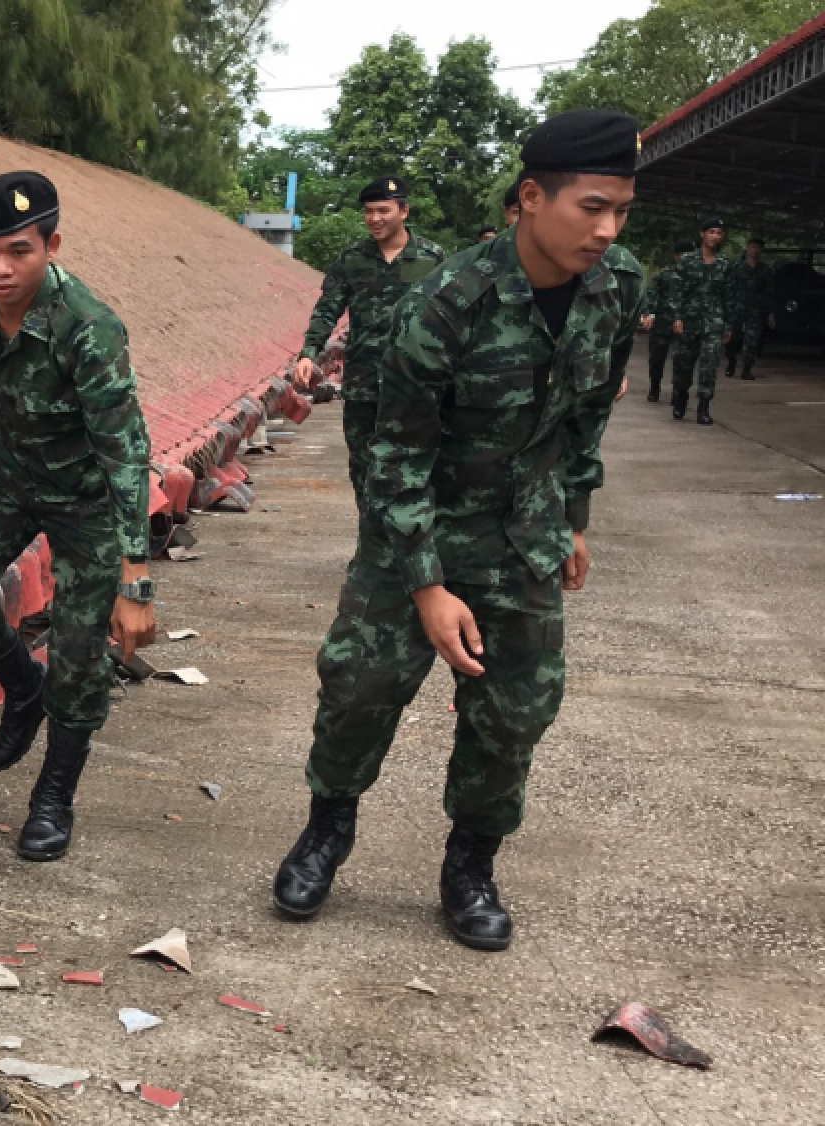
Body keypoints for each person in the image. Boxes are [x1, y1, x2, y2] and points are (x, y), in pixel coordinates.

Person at [271, 109, 645, 952]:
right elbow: (394, 457)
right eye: (592, 207)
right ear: (531, 198)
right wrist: (428, 586)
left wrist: (575, 516)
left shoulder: (619, 285)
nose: (608, 230)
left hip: (525, 534)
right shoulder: (446, 301)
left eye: (622, 210)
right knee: (360, 688)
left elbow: (587, 414)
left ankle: (470, 865)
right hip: (419, 527)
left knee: (515, 712)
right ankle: (327, 829)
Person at [0, 171, 158, 863]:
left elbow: (125, 450)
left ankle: (54, 794)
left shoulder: (88, 328)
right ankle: (23, 684)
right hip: (13, 471)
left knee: (80, 655)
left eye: (18, 251)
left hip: (88, 498)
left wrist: (135, 579)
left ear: (51, 246)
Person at [292, 177, 445, 544]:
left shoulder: (432, 259)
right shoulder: (353, 260)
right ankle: (373, 549)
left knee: (416, 467)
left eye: (383, 211)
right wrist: (309, 352)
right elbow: (328, 309)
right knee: (364, 467)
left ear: (403, 211)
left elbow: (451, 317)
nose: (375, 219)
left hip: (415, 385)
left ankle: (414, 547)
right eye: (369, 212)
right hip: (364, 384)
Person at [669, 218, 733, 424]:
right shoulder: (687, 261)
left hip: (713, 323)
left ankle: (703, 408)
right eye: (711, 232)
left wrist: (728, 325)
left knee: (709, 366)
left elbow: (728, 296)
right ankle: (680, 397)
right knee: (683, 365)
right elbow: (676, 291)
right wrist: (677, 317)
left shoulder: (724, 265)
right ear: (702, 234)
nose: (715, 236)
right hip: (689, 321)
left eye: (719, 233)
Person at [644, 240, 694, 402]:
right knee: (656, 358)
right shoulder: (665, 274)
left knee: (682, 361)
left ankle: (678, 391)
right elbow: (652, 293)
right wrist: (649, 313)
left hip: (685, 324)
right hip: (662, 322)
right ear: (676, 256)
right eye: (683, 255)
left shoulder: (696, 277)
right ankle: (654, 387)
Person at [726, 237, 774, 380]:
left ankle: (746, 369)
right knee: (731, 340)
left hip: (755, 311)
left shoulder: (765, 271)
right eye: (752, 247)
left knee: (752, 341)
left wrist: (769, 312)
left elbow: (770, 293)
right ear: (747, 249)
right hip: (736, 309)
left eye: (758, 248)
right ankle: (731, 363)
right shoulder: (736, 268)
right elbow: (729, 289)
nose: (755, 251)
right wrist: (727, 309)